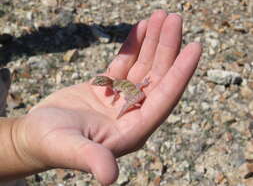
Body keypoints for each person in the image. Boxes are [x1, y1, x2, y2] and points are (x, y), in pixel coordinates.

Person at [0, 10, 202, 185]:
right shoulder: (117, 85)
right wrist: (17, 142)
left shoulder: (116, 86)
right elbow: (132, 88)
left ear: (106, 84)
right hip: (137, 92)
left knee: (129, 101)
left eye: (100, 83)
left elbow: (122, 92)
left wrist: (18, 142)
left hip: (136, 95)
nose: (99, 85)